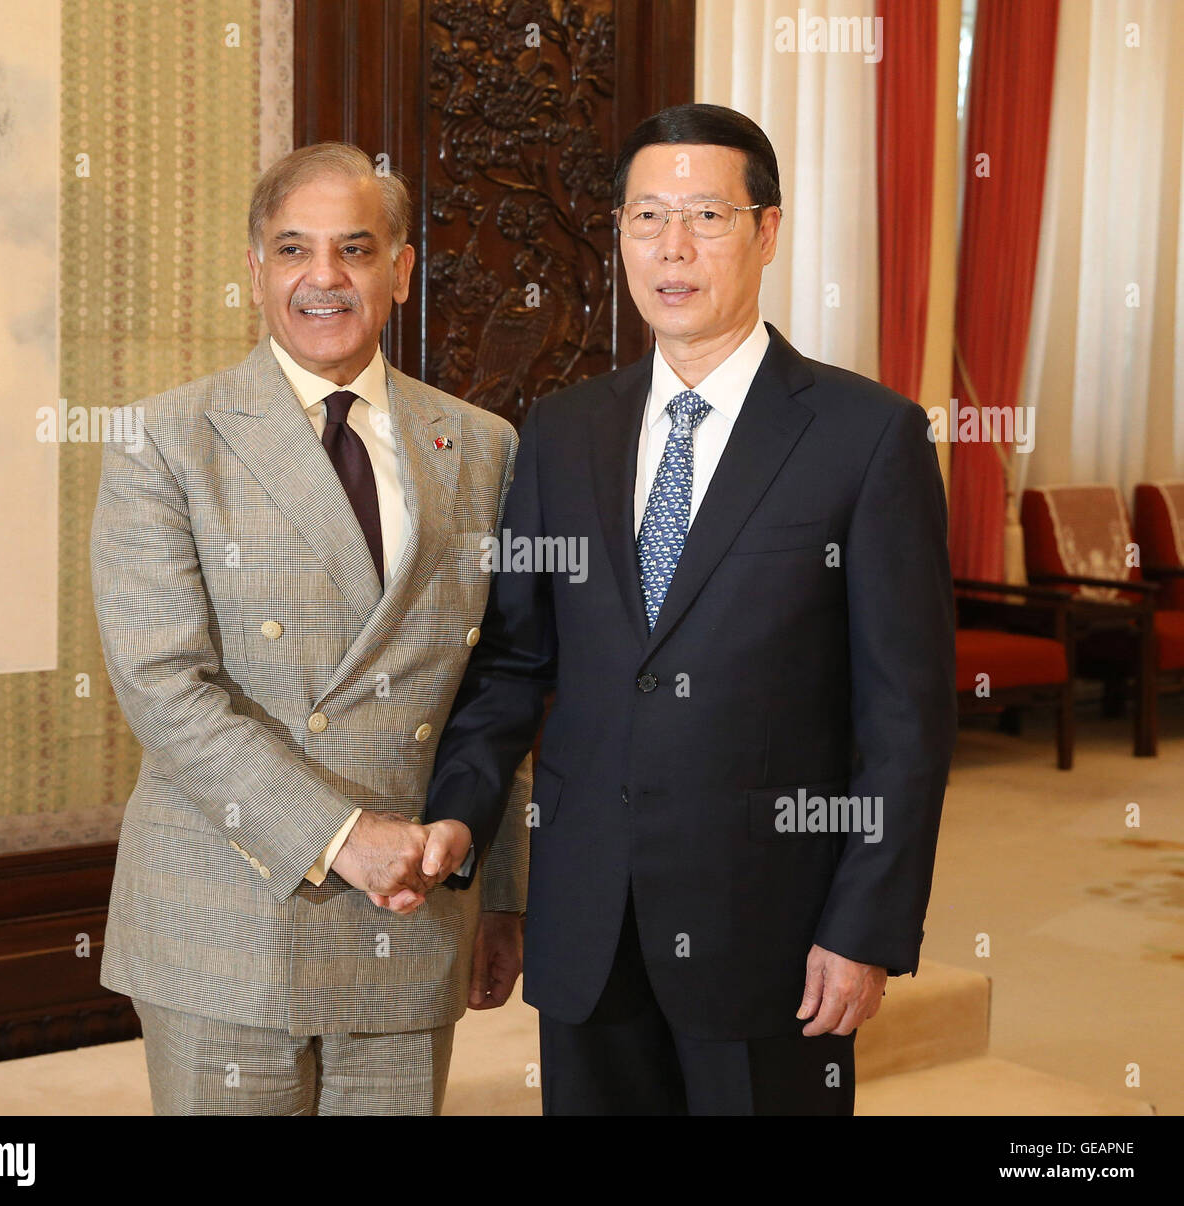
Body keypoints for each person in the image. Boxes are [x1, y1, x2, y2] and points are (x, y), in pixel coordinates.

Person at [424, 103, 957, 1115]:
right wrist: (459, 811)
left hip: (772, 935)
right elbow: (513, 663)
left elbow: (906, 716)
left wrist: (865, 925)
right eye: (645, 217)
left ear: (765, 232)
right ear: (618, 232)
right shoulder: (563, 430)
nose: (672, 247)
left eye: (706, 216)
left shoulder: (866, 437)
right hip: (589, 927)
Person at [91, 142, 528, 1116]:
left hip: (410, 912)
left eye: (356, 250)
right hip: (229, 911)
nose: (323, 278)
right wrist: (340, 837)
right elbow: (165, 688)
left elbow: (496, 681)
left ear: (401, 270)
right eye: (293, 250)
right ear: (255, 269)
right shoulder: (166, 441)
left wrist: (499, 892)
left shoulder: (483, 446)